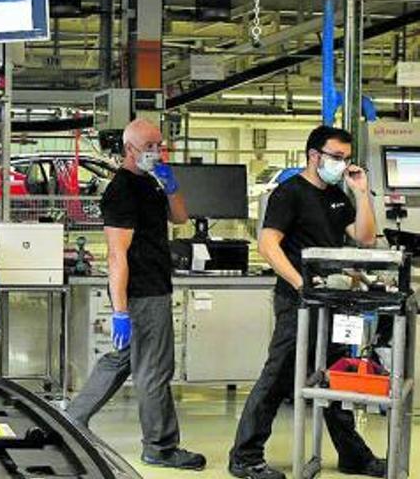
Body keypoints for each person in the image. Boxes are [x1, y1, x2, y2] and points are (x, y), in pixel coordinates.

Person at [228, 125, 383, 479]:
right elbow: (268, 246)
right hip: (298, 301)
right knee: (278, 376)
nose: (342, 165)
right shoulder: (289, 194)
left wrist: (361, 194)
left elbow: (367, 238)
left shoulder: (336, 196)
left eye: (346, 158)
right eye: (336, 157)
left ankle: (353, 456)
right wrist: (302, 285)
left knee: (336, 378)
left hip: (332, 302)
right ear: (314, 156)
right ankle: (244, 456)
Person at [67, 118, 206, 471]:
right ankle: (160, 446)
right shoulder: (122, 190)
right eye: (150, 147)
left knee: (122, 359)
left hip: (154, 285)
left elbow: (181, 219)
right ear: (129, 150)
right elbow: (117, 254)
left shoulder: (152, 183)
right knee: (154, 369)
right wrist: (121, 310)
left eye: (160, 145)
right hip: (144, 292)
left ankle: (73, 418)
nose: (158, 152)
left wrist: (172, 187)